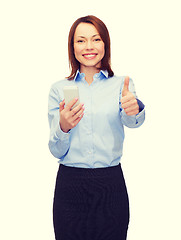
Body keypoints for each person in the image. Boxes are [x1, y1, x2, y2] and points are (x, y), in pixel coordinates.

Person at [48, 15, 145, 240]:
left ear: (105, 44)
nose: (89, 47)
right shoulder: (59, 89)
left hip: (110, 184)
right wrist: (63, 127)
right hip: (70, 186)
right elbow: (56, 150)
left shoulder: (122, 85)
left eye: (96, 39)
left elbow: (133, 121)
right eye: (81, 41)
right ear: (72, 47)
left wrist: (135, 108)